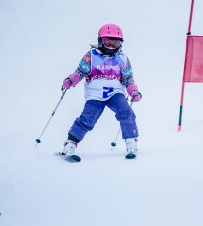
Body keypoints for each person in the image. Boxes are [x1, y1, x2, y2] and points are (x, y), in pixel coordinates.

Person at [60, 23, 142, 160]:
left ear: (120, 44)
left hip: (115, 93)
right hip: (95, 95)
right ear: (100, 41)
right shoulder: (91, 56)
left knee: (126, 112)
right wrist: (70, 80)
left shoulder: (122, 58)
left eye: (114, 43)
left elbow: (128, 78)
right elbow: (80, 72)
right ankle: (70, 144)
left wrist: (134, 92)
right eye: (107, 42)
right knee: (87, 119)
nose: (111, 46)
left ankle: (131, 142)